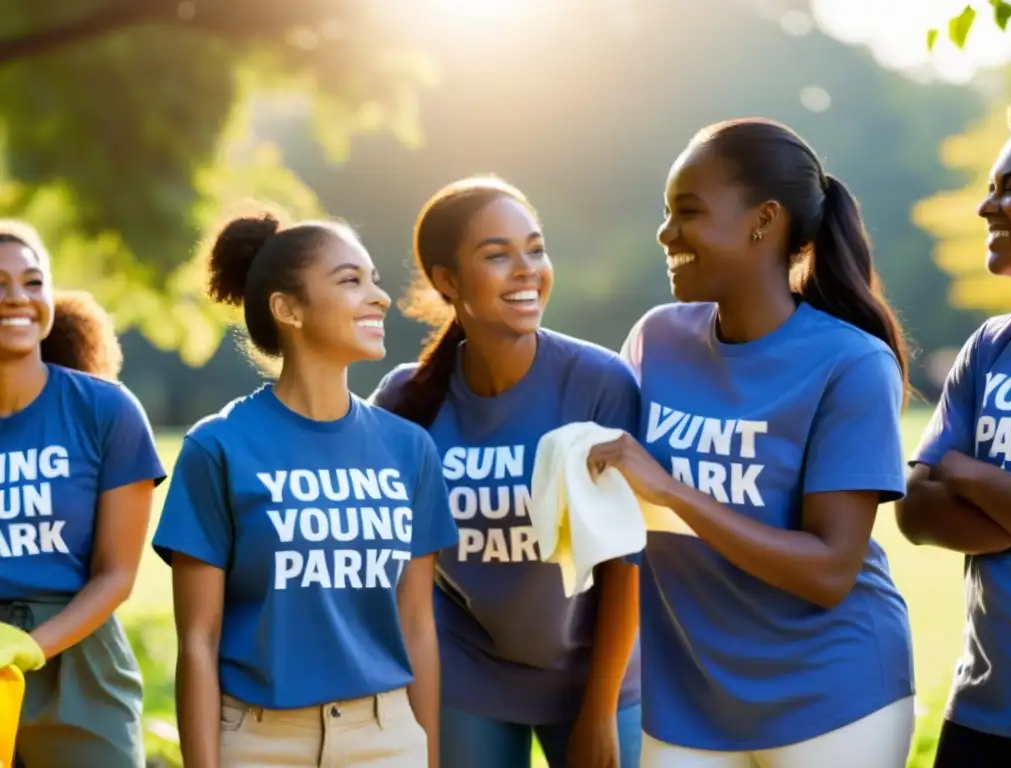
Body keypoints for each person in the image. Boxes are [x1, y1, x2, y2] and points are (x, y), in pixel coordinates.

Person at [584, 118, 917, 767]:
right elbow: (617, 522)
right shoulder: (657, 340)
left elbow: (828, 571)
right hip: (688, 701)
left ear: (762, 221)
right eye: (666, 211)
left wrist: (672, 493)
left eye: (689, 211)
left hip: (833, 697)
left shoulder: (850, 363)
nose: (665, 232)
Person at [152, 206, 458, 768]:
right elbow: (198, 642)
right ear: (287, 308)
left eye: (375, 280)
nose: (380, 297)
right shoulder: (216, 448)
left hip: (387, 740)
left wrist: (427, 753)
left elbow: (417, 624)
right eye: (351, 280)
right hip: (258, 743)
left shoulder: (409, 449)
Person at [371, 176, 643, 768]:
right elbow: (390, 565)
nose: (526, 269)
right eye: (497, 255)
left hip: (599, 674)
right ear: (447, 280)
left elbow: (627, 565)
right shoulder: (403, 401)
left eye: (535, 249)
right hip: (469, 672)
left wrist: (597, 717)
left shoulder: (600, 384)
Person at [0, 220, 165, 768]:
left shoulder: (107, 411)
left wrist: (31, 648)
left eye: (32, 282)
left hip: (80, 664)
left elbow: (116, 575)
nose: (16, 298)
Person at [895, 102, 1011, 768]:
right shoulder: (992, 346)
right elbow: (915, 510)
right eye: (990, 186)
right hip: (984, 712)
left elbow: (943, 477)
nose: (986, 207)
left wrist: (968, 473)